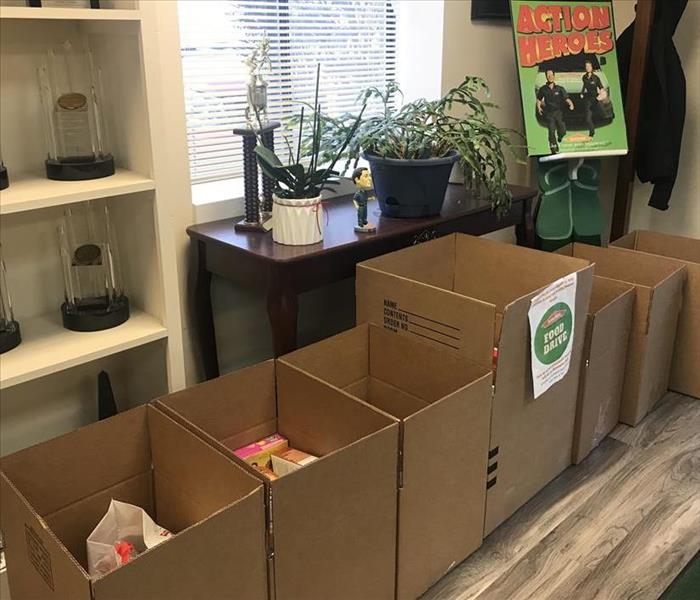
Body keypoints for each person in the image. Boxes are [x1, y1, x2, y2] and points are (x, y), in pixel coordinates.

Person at [537, 69, 574, 154]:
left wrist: (571, 104)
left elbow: (566, 98)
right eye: (548, 75)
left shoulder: (560, 88)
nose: (550, 76)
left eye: (551, 75)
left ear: (554, 76)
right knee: (551, 131)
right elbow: (539, 99)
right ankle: (554, 148)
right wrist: (539, 107)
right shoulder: (543, 89)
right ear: (546, 76)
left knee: (563, 130)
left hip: (558, 112)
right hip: (549, 114)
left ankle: (560, 136)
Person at [580, 60, 604, 137]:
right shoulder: (584, 77)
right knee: (588, 118)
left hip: (595, 99)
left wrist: (599, 97)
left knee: (604, 115)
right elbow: (584, 85)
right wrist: (582, 93)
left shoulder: (596, 78)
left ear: (592, 67)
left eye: (589, 66)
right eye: (586, 66)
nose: (587, 68)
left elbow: (601, 88)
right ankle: (592, 132)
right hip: (588, 100)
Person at [352, 167, 376, 233]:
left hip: (365, 205)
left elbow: (365, 198)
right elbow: (354, 199)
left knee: (365, 214)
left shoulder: (364, 192)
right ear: (357, 179)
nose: (370, 178)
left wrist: (370, 198)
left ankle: (365, 221)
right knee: (361, 215)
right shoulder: (358, 193)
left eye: (369, 176)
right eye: (366, 176)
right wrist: (356, 206)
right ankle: (360, 223)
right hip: (361, 206)